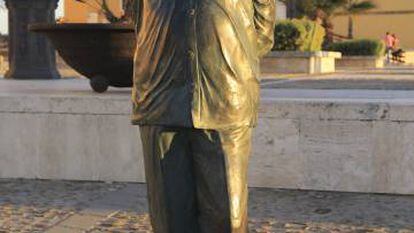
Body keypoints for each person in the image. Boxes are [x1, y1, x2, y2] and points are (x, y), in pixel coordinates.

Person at [131, 1, 276, 233]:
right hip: (160, 95)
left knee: (227, 215)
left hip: (225, 97)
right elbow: (136, 15)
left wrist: (223, 53)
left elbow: (262, 32)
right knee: (168, 216)